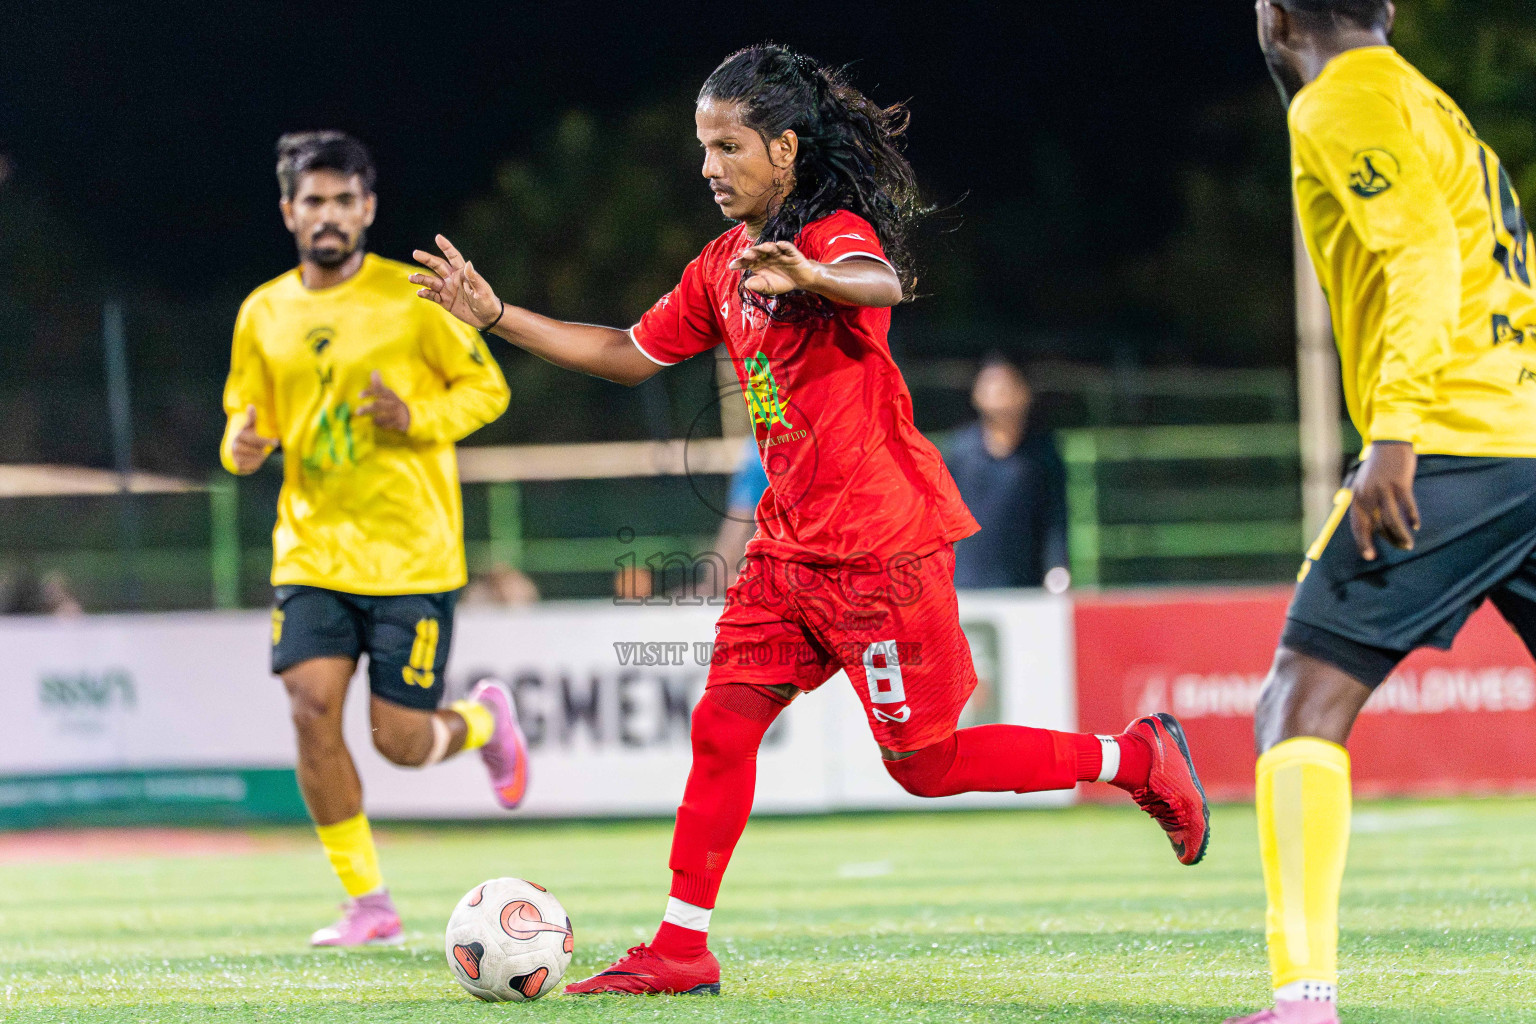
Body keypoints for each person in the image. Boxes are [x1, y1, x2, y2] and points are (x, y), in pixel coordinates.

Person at [412, 44, 1210, 997]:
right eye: (703, 146)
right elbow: (628, 351)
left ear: (785, 149)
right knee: (721, 725)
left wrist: (817, 279)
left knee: (926, 765)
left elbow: (882, 283)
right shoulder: (720, 266)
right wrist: (497, 312)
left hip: (880, 552)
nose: (709, 166)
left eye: (729, 145)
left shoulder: (829, 237)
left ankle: (1134, 757)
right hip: (788, 553)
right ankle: (681, 947)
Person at [1234, 4, 1536, 1022]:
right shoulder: (1429, 101)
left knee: (1297, 705)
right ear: (1389, 13)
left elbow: (1419, 259)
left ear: (1275, 17)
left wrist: (1396, 431)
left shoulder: (1340, 100)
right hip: (1524, 428)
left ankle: (1304, 1000)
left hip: (1452, 442)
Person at [221, 131, 528, 947]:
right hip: (312, 549)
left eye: (344, 199)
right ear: (290, 211)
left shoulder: (413, 297)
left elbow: (486, 390)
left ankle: (485, 725)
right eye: (313, 200)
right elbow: (245, 420)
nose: (329, 214)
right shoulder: (263, 312)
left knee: (398, 741)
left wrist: (414, 416)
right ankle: (369, 903)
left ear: (368, 208)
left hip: (413, 552)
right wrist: (241, 447)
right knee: (310, 704)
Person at [947, 355, 1070, 591]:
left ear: (1025, 393)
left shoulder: (1043, 453)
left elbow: (1056, 516)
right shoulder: (961, 451)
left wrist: (1057, 567)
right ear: (977, 393)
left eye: (1007, 384)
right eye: (991, 383)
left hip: (1026, 584)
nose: (999, 391)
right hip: (967, 584)